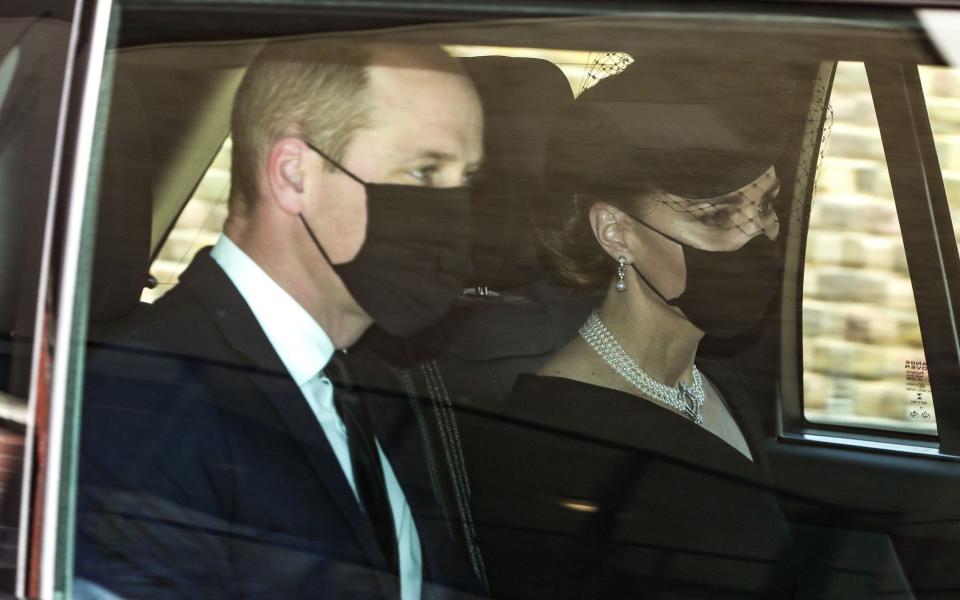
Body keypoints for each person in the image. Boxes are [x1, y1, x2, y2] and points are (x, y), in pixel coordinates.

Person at [76, 37, 486, 599]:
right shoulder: (148, 410)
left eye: (466, 181)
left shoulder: (375, 386)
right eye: (422, 172)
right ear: (294, 174)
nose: (455, 213)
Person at [459, 62, 809, 598]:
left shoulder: (715, 378)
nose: (758, 236)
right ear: (616, 233)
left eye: (765, 206)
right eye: (715, 217)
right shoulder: (552, 447)